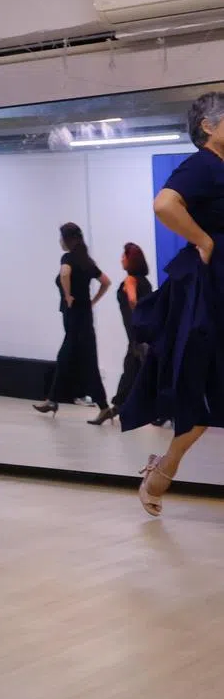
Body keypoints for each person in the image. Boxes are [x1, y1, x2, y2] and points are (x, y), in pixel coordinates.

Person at [123, 93, 224, 515]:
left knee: (206, 397)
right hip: (209, 290)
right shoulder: (203, 164)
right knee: (201, 398)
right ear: (208, 127)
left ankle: (161, 472)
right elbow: (164, 202)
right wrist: (202, 240)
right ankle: (161, 472)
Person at [33, 223, 111, 416]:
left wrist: (68, 295)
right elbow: (106, 282)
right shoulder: (86, 260)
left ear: (67, 239)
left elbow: (65, 273)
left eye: (61, 238)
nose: (60, 242)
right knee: (81, 359)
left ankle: (54, 401)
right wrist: (93, 301)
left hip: (74, 317)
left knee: (71, 358)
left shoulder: (68, 258)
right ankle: (100, 407)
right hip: (84, 316)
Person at [89, 242, 152, 425]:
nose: (121, 260)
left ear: (130, 260)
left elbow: (132, 299)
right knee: (131, 370)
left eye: (124, 257)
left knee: (137, 370)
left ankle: (117, 408)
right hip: (140, 334)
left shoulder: (130, 280)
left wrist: (136, 315)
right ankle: (116, 408)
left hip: (137, 334)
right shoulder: (145, 282)